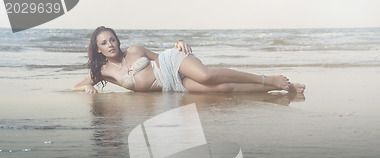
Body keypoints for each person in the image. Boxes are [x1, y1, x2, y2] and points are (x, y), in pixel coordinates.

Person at [73, 26, 306, 94]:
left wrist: (178, 44)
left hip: (172, 62)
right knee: (222, 89)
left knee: (207, 75)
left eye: (112, 39)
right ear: (98, 49)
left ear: (118, 41)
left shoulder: (134, 50)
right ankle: (284, 89)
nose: (110, 44)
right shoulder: (104, 72)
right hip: (172, 86)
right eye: (104, 43)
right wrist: (87, 90)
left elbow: (161, 56)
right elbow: (78, 85)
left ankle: (268, 79)